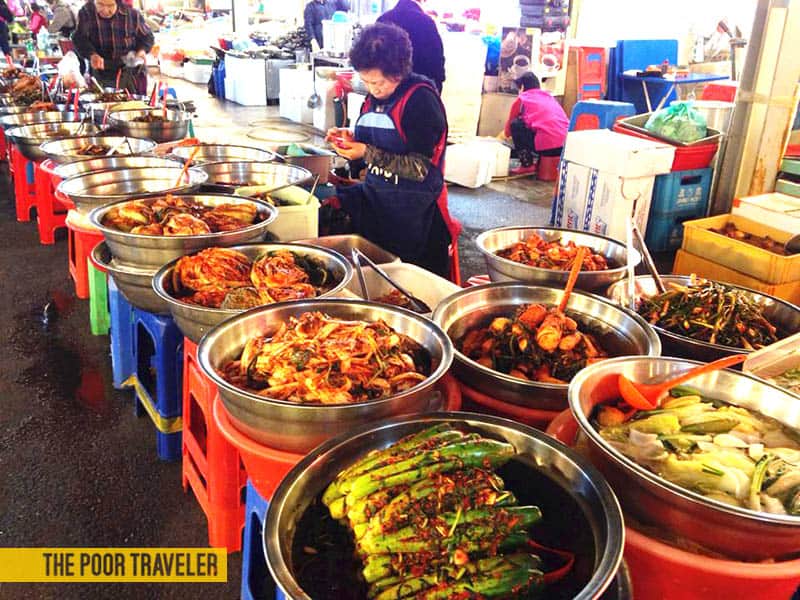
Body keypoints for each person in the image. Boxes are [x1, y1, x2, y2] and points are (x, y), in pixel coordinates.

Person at [325, 23, 458, 278]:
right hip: (377, 200)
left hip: (414, 214)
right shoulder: (373, 98)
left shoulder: (420, 100)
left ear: (399, 72)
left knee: (404, 281)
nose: (374, 89)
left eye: (379, 82)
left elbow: (419, 168)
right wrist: (348, 138)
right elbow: (376, 141)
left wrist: (365, 152)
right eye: (366, 81)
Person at [72, 0, 154, 94]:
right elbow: (79, 38)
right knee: (103, 102)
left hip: (129, 68)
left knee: (133, 104)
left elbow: (147, 36)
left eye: (110, 6)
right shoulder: (86, 12)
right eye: (100, 4)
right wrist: (92, 54)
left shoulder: (132, 14)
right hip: (101, 68)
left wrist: (142, 50)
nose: (105, 10)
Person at [503, 71, 568, 175]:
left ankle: (526, 165)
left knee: (516, 124)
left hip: (548, 147)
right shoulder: (549, 97)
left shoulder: (522, 99)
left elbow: (507, 132)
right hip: (565, 147)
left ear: (523, 87)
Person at [377, 0, 444, 93]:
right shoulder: (426, 21)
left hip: (388, 92)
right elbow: (436, 64)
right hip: (420, 93)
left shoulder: (383, 19)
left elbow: (374, 59)